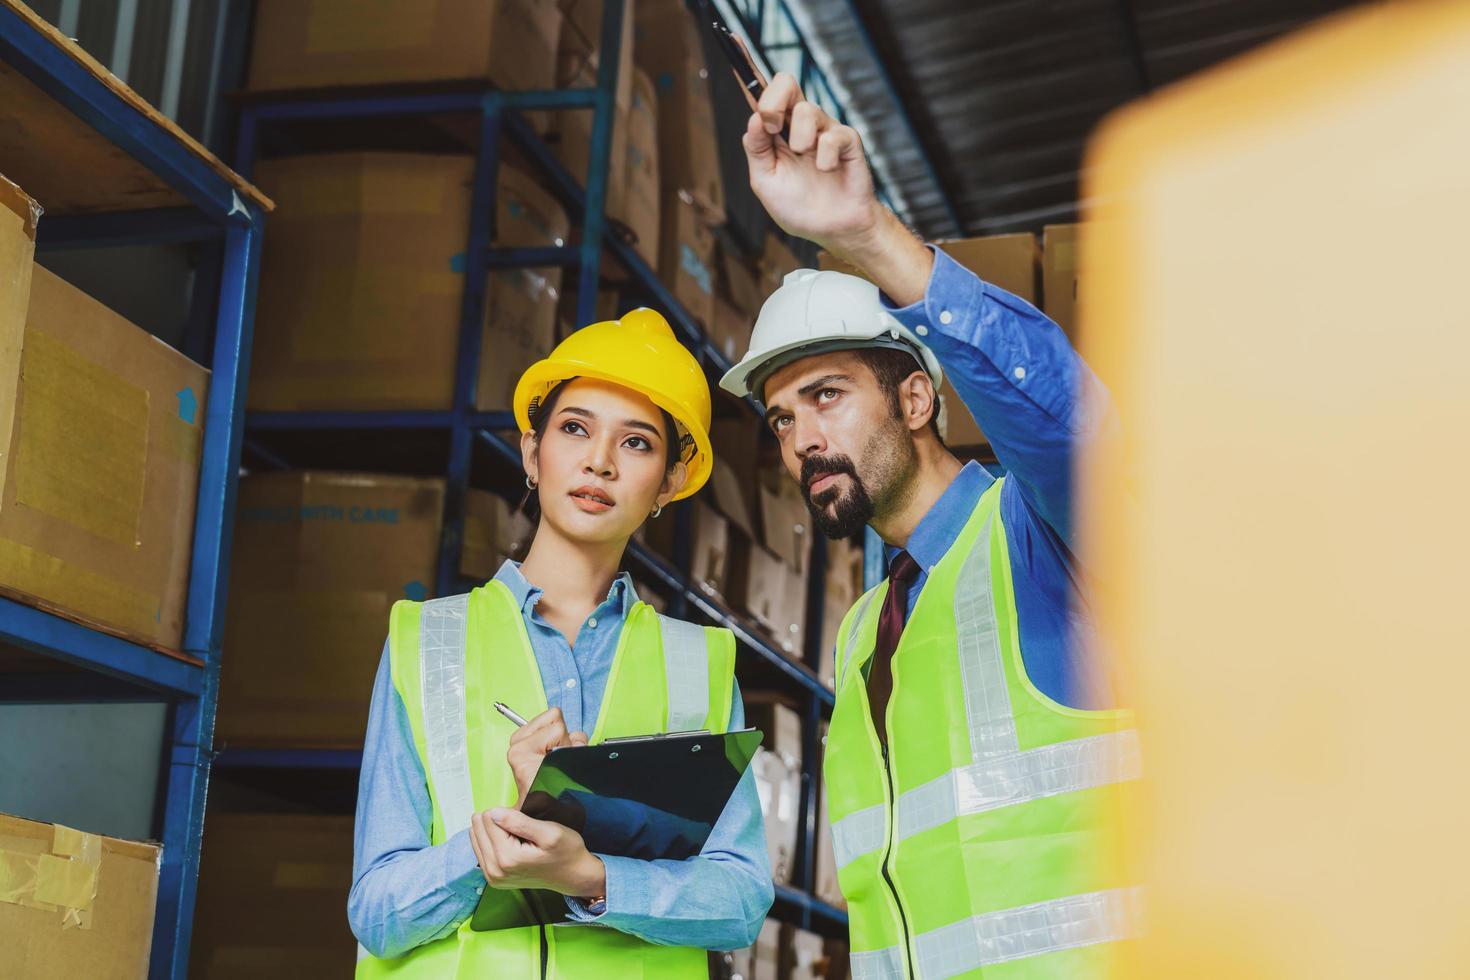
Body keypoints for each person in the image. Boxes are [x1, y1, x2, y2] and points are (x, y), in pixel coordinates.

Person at [719, 74, 1141, 978]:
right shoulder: (867, 627)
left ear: (916, 396)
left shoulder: (1042, 538)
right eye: (783, 419)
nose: (802, 440)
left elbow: (1073, 427)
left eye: (826, 396)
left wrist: (868, 237)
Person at [350, 310, 773, 978]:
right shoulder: (426, 641)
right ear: (531, 451)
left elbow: (741, 900)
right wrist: (494, 844)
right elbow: (376, 912)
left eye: (636, 443)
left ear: (668, 483)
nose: (598, 462)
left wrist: (591, 875)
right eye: (575, 428)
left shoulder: (700, 664)